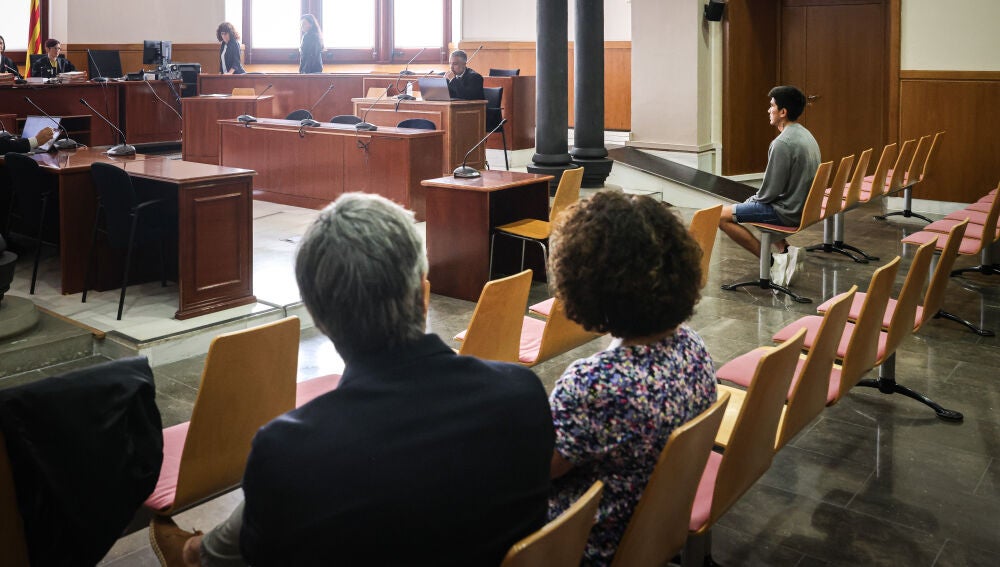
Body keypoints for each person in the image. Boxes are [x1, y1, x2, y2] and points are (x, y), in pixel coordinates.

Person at [153, 193, 554, 566]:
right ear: (423, 293)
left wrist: (197, 552)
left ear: (320, 318)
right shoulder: (522, 393)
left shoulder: (288, 452)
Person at [546, 191, 717, 566]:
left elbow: (537, 471)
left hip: (590, 547)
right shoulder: (693, 347)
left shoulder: (595, 384)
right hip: (654, 530)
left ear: (586, 283)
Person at [717, 85, 821, 286]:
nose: (768, 110)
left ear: (783, 112)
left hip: (788, 211)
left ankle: (771, 262)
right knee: (752, 207)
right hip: (804, 207)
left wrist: (750, 201)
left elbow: (768, 194)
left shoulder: (781, 143)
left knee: (720, 216)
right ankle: (786, 250)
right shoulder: (806, 135)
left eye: (772, 105)